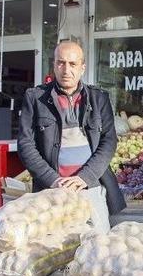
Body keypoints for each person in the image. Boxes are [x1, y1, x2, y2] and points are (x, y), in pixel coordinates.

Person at [17, 41, 126, 215]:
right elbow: (25, 145)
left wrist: (85, 177)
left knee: (96, 239)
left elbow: (109, 141)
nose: (66, 70)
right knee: (55, 240)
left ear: (82, 68)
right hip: (51, 193)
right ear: (54, 65)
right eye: (61, 63)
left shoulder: (99, 98)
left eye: (73, 64)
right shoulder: (35, 98)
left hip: (91, 187)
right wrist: (52, 179)